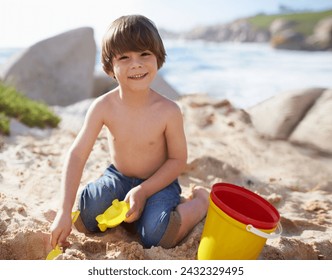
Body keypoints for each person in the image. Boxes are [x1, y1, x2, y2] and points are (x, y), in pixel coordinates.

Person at [50, 14, 209, 250]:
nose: (136, 64)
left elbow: (177, 160)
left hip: (159, 182)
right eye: (124, 57)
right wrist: (63, 211)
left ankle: (200, 202)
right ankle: (137, 211)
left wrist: (144, 190)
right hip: (119, 176)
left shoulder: (168, 110)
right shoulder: (103, 106)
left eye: (145, 54)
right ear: (109, 67)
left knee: (156, 237)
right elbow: (77, 154)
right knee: (86, 219)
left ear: (158, 58)